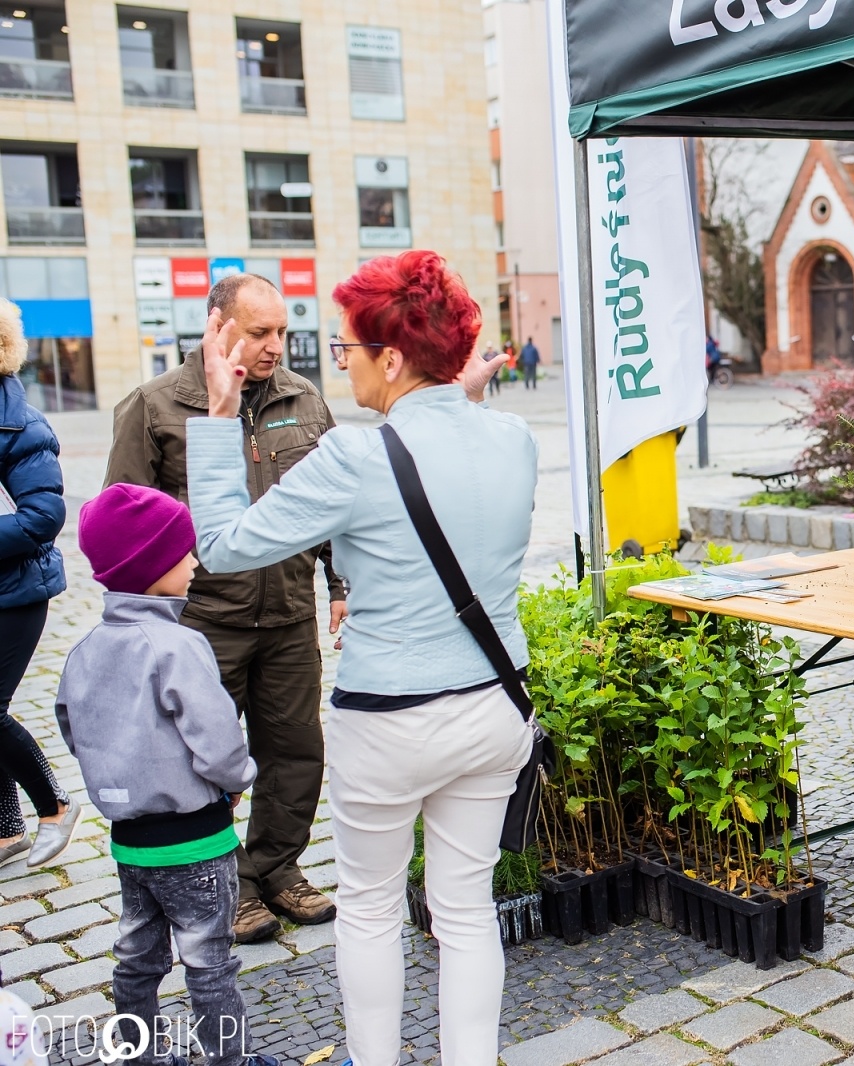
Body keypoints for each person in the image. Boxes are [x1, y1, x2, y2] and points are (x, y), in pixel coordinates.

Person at [185, 250, 538, 1066]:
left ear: (390, 358)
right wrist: (456, 395)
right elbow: (450, 442)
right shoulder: (515, 440)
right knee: (464, 907)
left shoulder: (354, 458)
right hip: (492, 705)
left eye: (345, 350)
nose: (339, 366)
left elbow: (222, 545)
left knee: (374, 909)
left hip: (388, 723)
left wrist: (214, 413)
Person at [104, 274, 346, 943]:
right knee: (205, 762)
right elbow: (122, 521)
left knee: (296, 751)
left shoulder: (303, 398)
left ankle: (276, 869)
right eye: (260, 332)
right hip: (203, 623)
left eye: (283, 332)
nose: (276, 346)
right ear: (219, 326)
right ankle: (229, 884)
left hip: (290, 613)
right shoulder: (156, 406)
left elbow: (333, 505)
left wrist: (341, 584)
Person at [60, 484, 274, 1066]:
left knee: (137, 954)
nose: (196, 563)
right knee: (210, 958)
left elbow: (72, 727)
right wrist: (236, 779)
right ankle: (229, 1059)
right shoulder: (177, 644)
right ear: (154, 569)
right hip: (195, 838)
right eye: (184, 554)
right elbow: (217, 737)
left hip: (131, 842)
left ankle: (136, 1054)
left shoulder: (85, 650)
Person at [0, 300, 81, 869]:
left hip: (16, 593)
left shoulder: (22, 424)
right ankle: (6, 830)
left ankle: (53, 804)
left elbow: (42, 518)